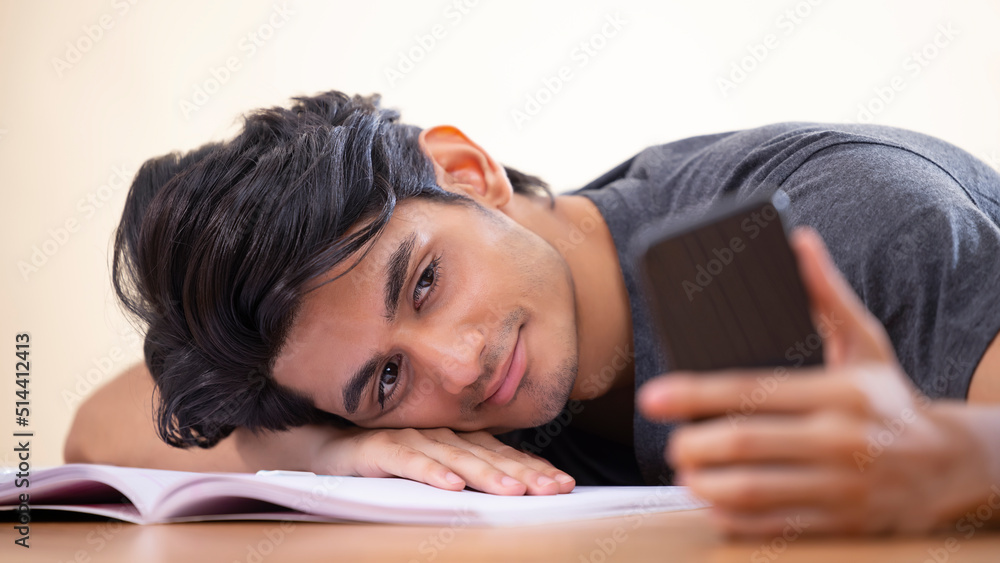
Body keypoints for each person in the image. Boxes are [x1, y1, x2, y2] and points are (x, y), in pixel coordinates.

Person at [65, 90, 1000, 536]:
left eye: (424, 281)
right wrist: (319, 449)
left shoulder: (806, 236)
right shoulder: (401, 389)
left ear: (469, 174)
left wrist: (952, 459)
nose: (461, 364)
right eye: (387, 378)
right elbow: (95, 426)